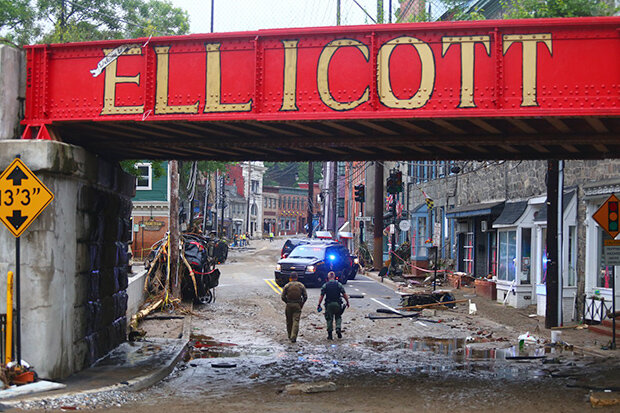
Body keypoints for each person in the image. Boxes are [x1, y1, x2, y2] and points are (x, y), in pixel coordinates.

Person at [317, 271, 350, 340]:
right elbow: (344, 294)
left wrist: (319, 304)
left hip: (329, 304)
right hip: (337, 304)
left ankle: (330, 334)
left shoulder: (325, 285)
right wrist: (347, 302)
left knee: (329, 318)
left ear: (328, 277)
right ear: (334, 277)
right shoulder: (339, 284)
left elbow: (322, 296)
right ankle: (338, 328)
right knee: (338, 317)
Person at [280, 273, 307, 343]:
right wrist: (301, 304)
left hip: (289, 304)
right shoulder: (301, 285)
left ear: (290, 278)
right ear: (297, 277)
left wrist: (287, 302)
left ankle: (289, 335)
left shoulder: (287, 286)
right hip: (297, 304)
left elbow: (282, 297)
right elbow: (305, 297)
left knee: (289, 321)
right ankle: (294, 336)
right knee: (296, 321)